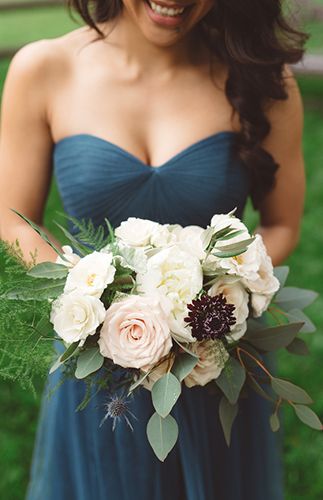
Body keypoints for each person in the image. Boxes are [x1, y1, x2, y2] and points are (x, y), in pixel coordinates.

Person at [0, 1, 307, 498]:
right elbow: (13, 219)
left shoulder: (262, 80)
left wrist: (216, 294)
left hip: (212, 356)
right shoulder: (44, 69)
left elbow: (282, 223)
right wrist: (87, 297)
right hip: (99, 369)